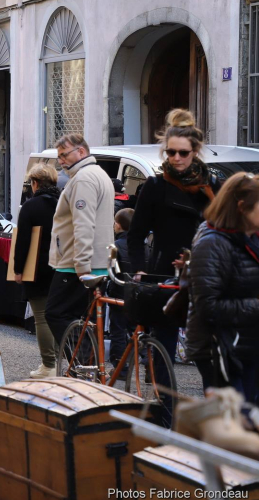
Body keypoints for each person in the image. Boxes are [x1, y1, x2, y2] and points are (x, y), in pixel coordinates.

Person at [127, 109, 218, 382]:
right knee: (163, 349)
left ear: (195, 152)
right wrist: (140, 269)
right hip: (165, 273)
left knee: (207, 354)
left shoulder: (211, 186)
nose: (176, 158)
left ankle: (216, 412)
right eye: (170, 153)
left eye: (183, 153)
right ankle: (167, 413)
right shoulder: (155, 186)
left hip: (204, 274)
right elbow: (136, 234)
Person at [187, 172, 259, 402]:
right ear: (241, 206)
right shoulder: (213, 243)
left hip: (245, 343)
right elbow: (208, 306)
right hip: (221, 348)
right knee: (233, 428)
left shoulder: (250, 238)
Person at [44, 134, 114, 346]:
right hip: (95, 261)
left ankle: (81, 365)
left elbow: (84, 224)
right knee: (86, 318)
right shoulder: (97, 174)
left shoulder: (83, 179)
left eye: (64, 155)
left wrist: (82, 265)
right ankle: (91, 366)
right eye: (59, 157)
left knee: (56, 314)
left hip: (77, 264)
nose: (61, 161)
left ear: (81, 152)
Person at [14, 163, 61, 378]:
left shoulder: (31, 206)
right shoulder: (63, 202)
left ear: (34, 183)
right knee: (60, 316)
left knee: (41, 316)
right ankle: (63, 363)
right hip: (62, 266)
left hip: (38, 267)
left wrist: (18, 269)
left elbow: (22, 241)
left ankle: (49, 365)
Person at [107, 208, 134, 378]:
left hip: (119, 291)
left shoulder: (115, 246)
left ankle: (120, 367)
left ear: (118, 225)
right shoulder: (144, 246)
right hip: (138, 294)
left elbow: (111, 270)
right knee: (135, 330)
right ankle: (146, 361)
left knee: (118, 330)